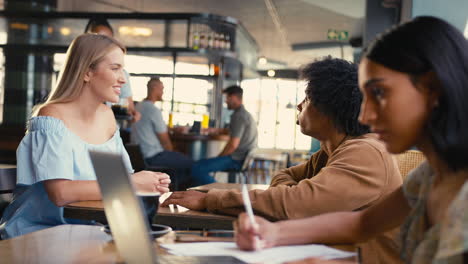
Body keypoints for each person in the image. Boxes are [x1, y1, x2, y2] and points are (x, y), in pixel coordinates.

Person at [235, 16, 468, 264]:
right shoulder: (431, 176)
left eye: (379, 93)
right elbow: (362, 223)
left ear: (434, 88)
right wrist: (274, 233)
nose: (365, 115)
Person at [162, 57, 403, 263]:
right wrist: (290, 198)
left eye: (307, 99)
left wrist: (210, 200)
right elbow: (286, 180)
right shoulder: (330, 152)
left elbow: (295, 204)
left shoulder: (366, 153)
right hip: (327, 253)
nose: (299, 105)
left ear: (330, 109)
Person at [0, 34, 170, 239]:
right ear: (87, 72)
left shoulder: (107, 116)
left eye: (122, 69)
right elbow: (61, 193)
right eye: (115, 68)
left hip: (89, 230)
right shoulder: (51, 116)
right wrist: (132, 183)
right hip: (39, 234)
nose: (123, 79)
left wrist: (149, 183)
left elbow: (114, 181)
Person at [131, 77, 193, 190]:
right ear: (154, 88)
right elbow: (164, 140)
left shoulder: (138, 106)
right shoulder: (153, 110)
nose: (163, 92)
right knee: (190, 163)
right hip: (153, 156)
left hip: (139, 155)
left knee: (177, 161)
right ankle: (176, 190)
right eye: (162, 89)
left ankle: (171, 187)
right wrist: (171, 152)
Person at [189, 85, 258, 186]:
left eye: (227, 98)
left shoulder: (238, 116)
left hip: (236, 159)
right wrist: (214, 130)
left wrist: (218, 157)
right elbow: (231, 131)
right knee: (200, 165)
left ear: (233, 97)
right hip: (243, 159)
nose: (226, 101)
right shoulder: (244, 114)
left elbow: (233, 145)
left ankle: (220, 192)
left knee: (196, 168)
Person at [84, 18, 141, 122]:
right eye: (100, 39)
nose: (106, 45)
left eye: (109, 40)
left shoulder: (122, 75)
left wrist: (131, 114)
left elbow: (129, 108)